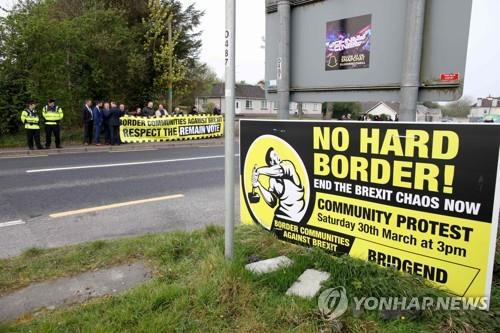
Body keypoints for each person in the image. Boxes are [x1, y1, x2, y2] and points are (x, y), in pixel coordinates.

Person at [252, 148, 306, 223]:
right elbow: (272, 201)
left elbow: (279, 171)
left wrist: (258, 171)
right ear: (271, 162)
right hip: (281, 215)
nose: (278, 156)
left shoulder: (288, 165)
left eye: (276, 154)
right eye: (274, 155)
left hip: (299, 215)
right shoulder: (272, 180)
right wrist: (258, 185)